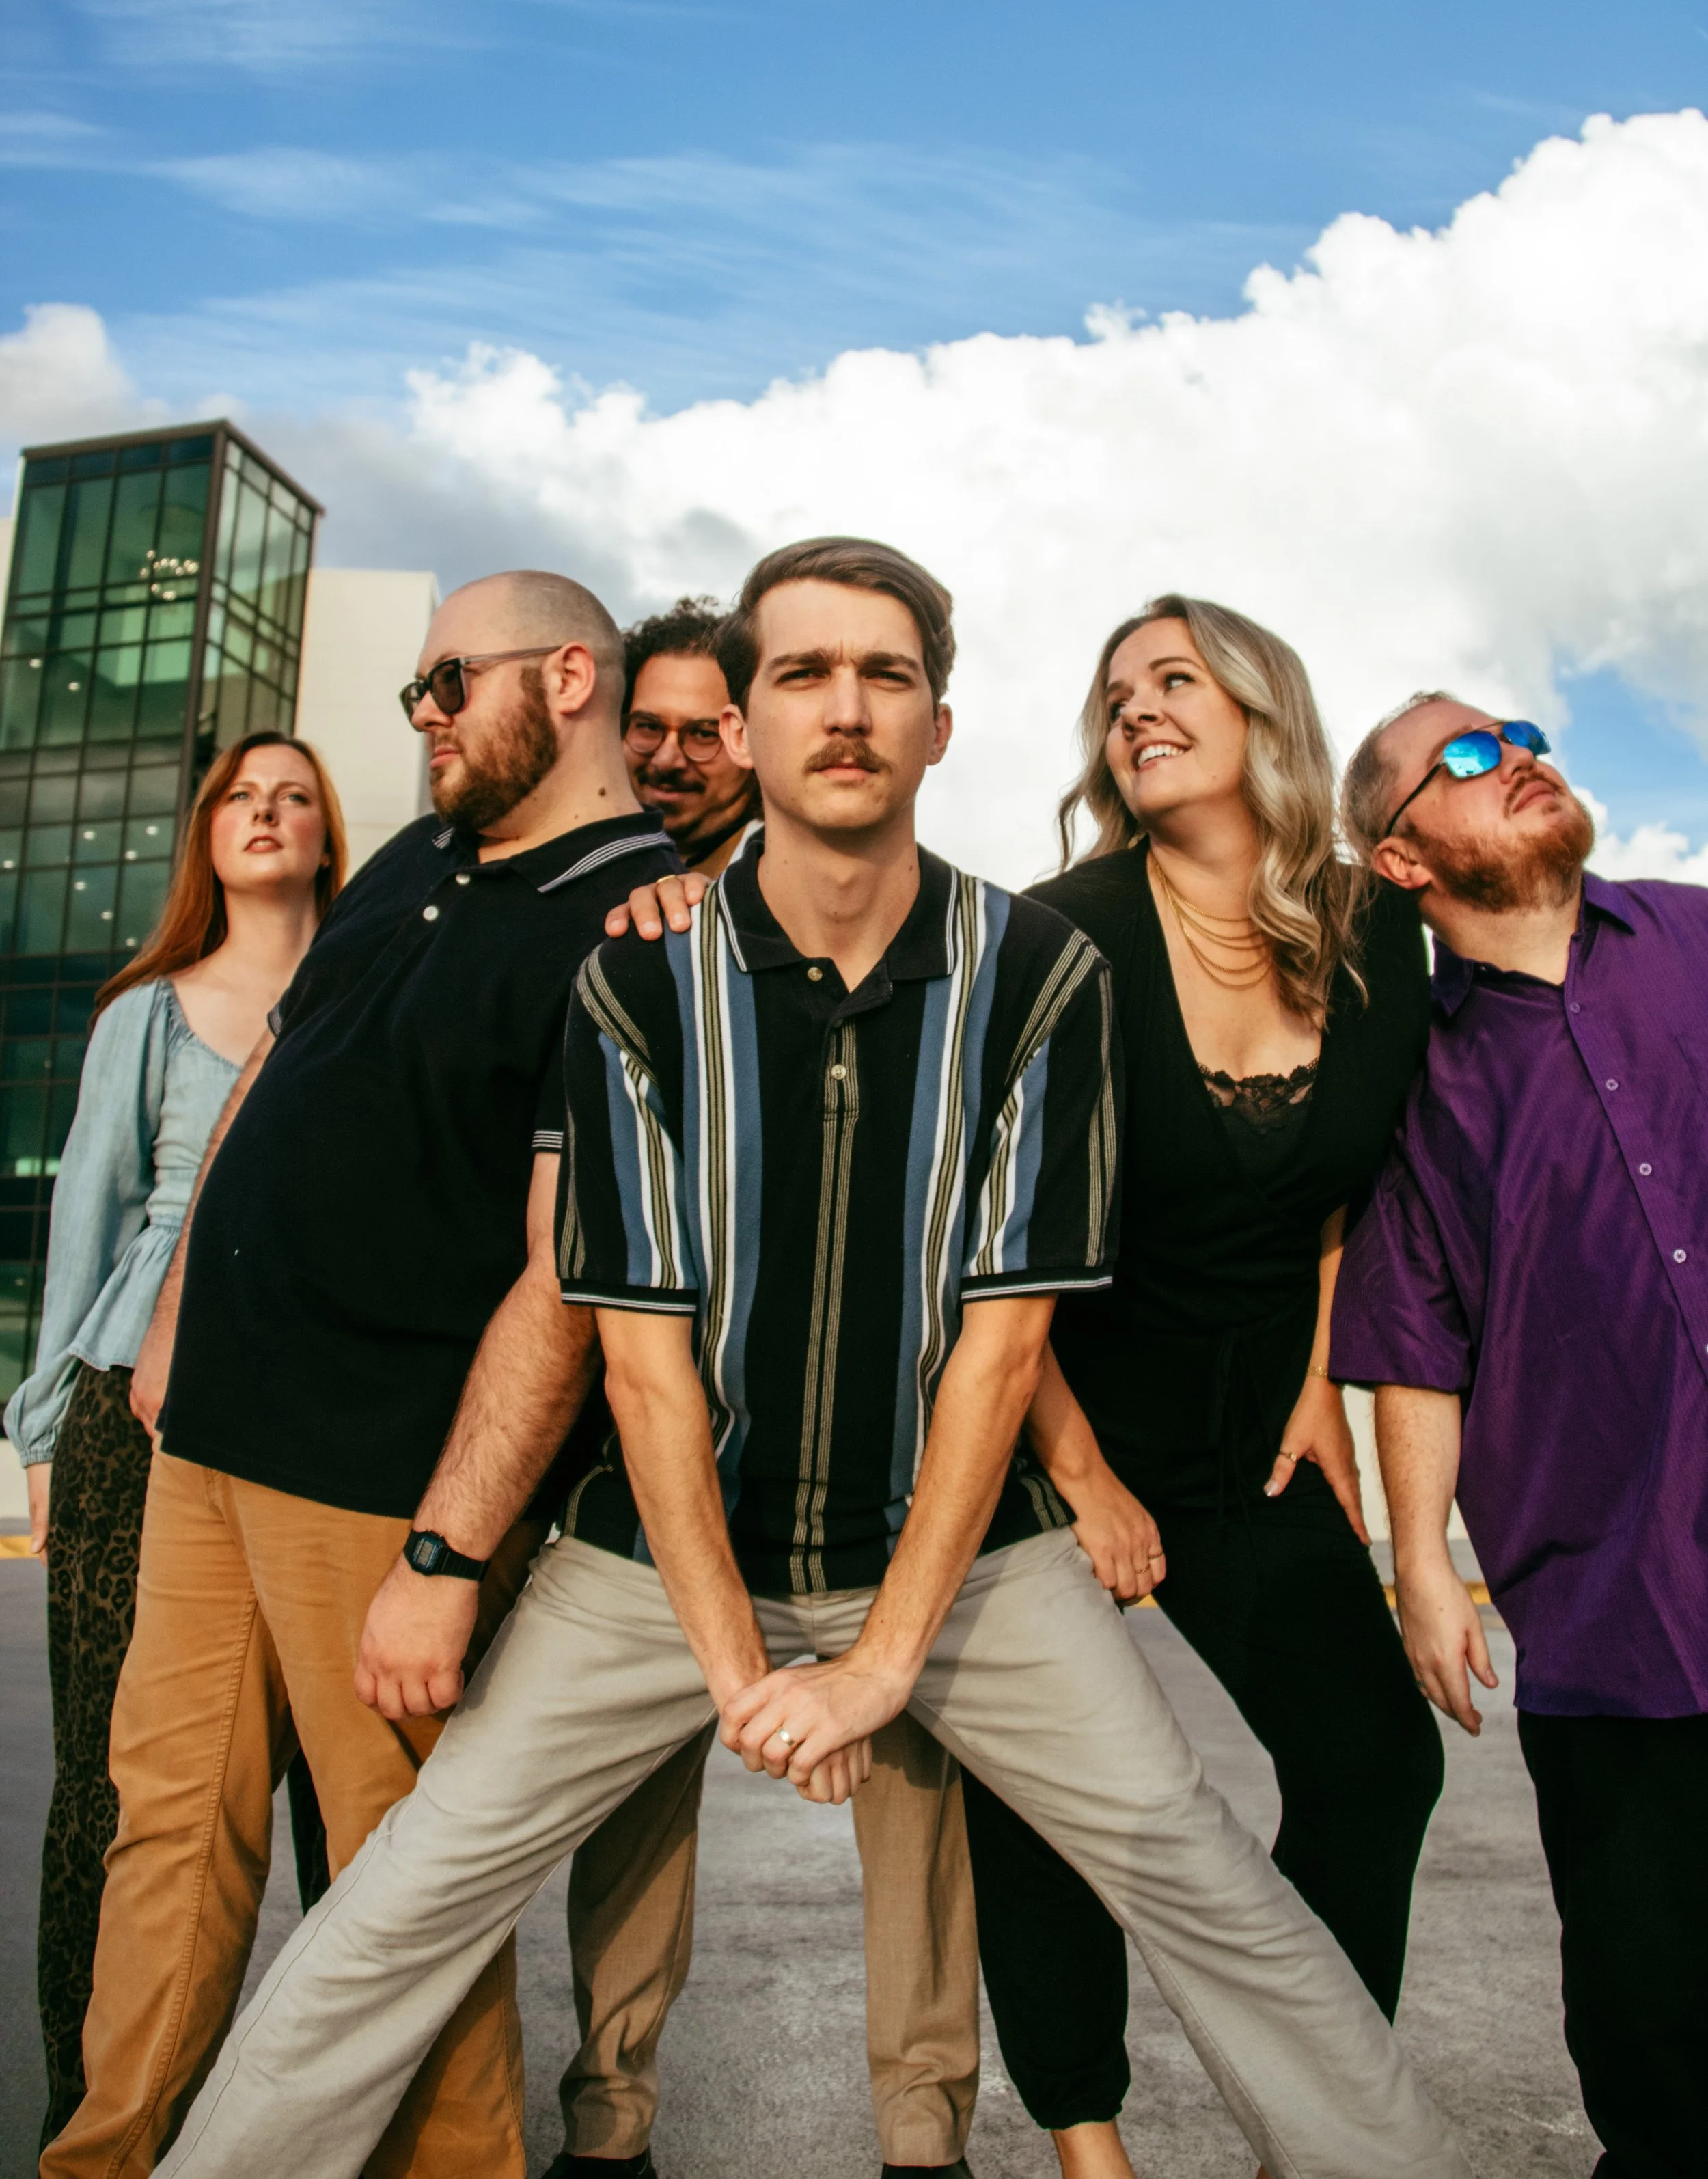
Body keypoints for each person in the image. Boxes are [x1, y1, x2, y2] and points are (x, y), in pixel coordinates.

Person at [154, 538, 1468, 2179]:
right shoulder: (634, 970)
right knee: (407, 1893)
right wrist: (739, 1670)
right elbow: (640, 1367)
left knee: (1202, 1873)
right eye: (802, 673)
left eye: (886, 674)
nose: (845, 709)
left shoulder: (1037, 971)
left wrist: (875, 1659)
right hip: (657, 1562)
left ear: (938, 726)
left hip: (963, 1549)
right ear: (747, 728)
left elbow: (998, 1353)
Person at [618, 593, 1449, 2179]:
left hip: (1260, 1438)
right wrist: (1082, 1469)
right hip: (1049, 1412)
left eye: (1177, 679)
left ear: (1265, 714)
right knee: (1049, 1792)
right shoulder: (1057, 935)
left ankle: (1325, 2116)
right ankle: (1085, 2132)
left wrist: (1328, 1373)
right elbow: (970, 1240)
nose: (1136, 706)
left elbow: (1376, 1169)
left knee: (1373, 1760)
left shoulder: (1371, 925)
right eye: (1116, 690)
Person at [42, 572, 678, 2179]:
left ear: (571, 675)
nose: (423, 716)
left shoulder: (637, 917)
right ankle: (106, 2155)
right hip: (212, 1432)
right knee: (163, 1829)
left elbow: (565, 1271)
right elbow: (270, 1058)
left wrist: (446, 1551)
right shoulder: (417, 856)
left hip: (374, 1473)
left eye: (448, 681)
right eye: (413, 690)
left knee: (400, 1888)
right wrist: (179, 1304)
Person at [564, 600, 982, 2178]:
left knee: (918, 1778)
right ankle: (608, 2127)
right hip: (636, 1457)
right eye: (647, 728)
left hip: (870, 1465)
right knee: (630, 1803)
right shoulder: (613, 911)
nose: (671, 752)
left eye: (698, 725)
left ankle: (922, 2136)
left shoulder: (851, 904)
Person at [1330, 692, 1708, 2179]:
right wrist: (1418, 1562)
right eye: (1466, 758)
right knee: (1649, 2015)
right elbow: (1416, 1339)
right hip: (1617, 1610)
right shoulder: (1412, 1081)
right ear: (1401, 856)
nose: (1517, 755)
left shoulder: (1693, 934)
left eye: (1518, 730)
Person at [5, 732, 346, 2149]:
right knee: (116, 1777)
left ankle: (347, 2108)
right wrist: (38, 1430)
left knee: (342, 1790)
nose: (264, 815)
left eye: (293, 798)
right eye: (238, 802)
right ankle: (95, 2113)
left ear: (330, 834)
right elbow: (82, 1225)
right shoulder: (144, 1013)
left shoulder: (368, 983)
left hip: (321, 1415)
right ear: (207, 839)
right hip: (128, 1416)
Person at [621, 596, 760, 875]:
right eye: (648, 727)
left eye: (702, 734)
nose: (666, 761)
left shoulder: (784, 881)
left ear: (749, 738)